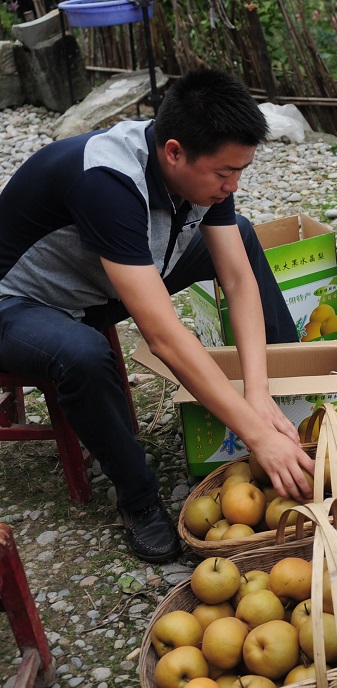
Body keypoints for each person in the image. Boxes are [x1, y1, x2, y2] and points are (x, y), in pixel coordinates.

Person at [0, 69, 315, 563]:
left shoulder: (199, 174)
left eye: (241, 172)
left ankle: (290, 380)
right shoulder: (107, 182)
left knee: (244, 235)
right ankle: (139, 500)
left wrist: (258, 394)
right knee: (84, 354)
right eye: (223, 173)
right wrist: (255, 436)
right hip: (19, 301)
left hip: (100, 280)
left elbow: (236, 279)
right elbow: (163, 335)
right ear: (174, 151)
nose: (232, 185)